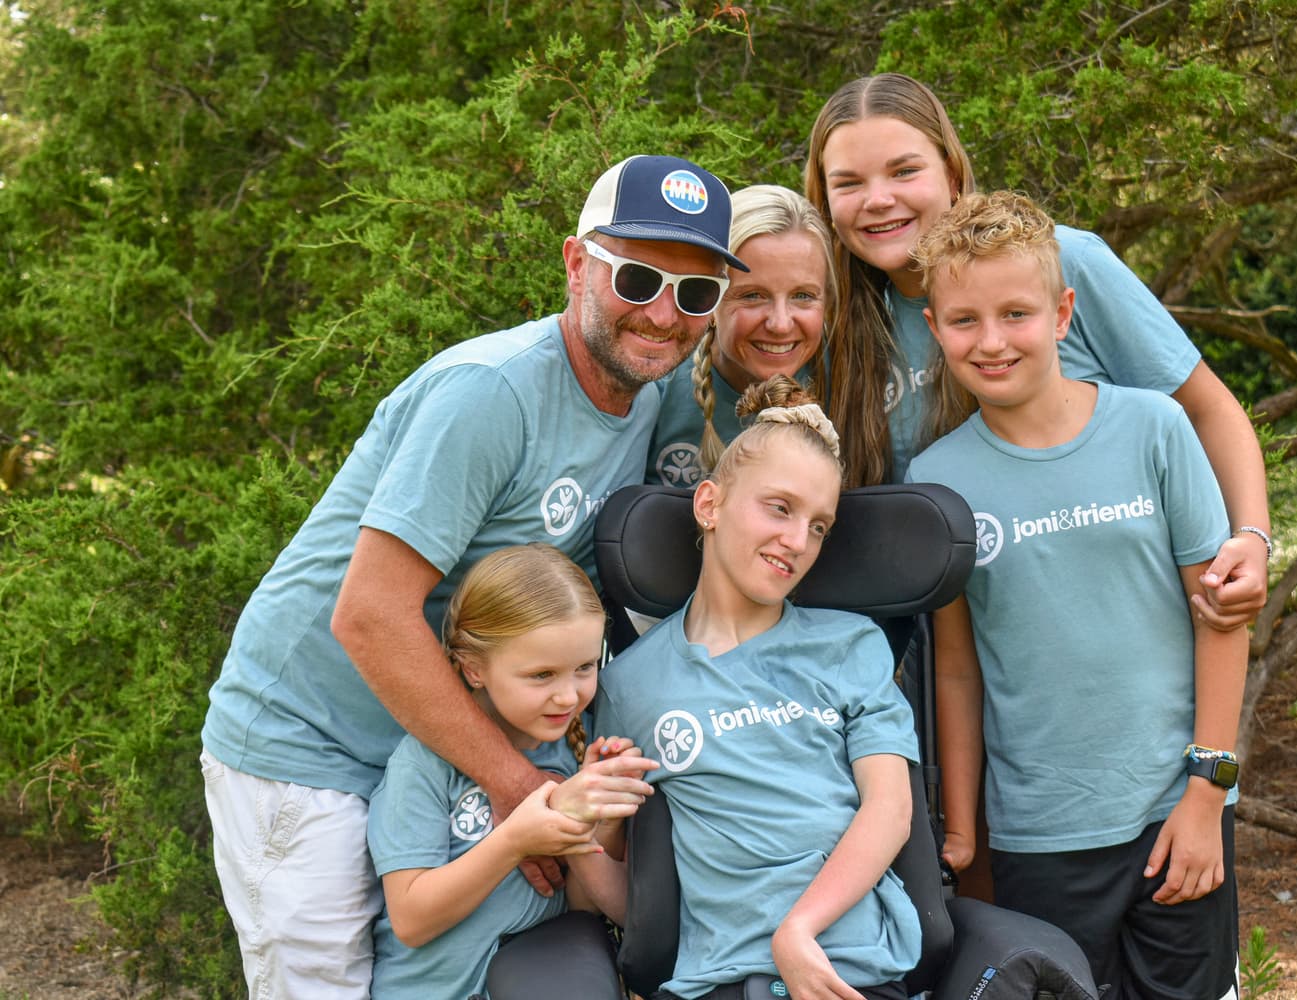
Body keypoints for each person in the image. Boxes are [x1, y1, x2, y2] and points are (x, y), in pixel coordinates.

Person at [198, 153, 745, 996]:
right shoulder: (491, 394)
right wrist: (520, 786)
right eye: (637, 277)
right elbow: (370, 615)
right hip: (311, 751)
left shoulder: (641, 398)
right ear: (575, 264)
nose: (664, 313)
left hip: (427, 751)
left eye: (696, 293)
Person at [907, 190, 1248, 998]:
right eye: (964, 322)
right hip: (1041, 834)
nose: (991, 342)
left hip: (1178, 813)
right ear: (934, 328)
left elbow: (1221, 620)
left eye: (1016, 314)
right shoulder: (937, 483)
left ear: (1063, 314)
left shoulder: (1154, 429)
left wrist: (1208, 793)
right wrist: (963, 825)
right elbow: (956, 667)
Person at [804, 72, 1271, 631]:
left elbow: (1206, 408)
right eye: (849, 183)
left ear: (951, 174)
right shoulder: (832, 320)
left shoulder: (1058, 262)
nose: (879, 200)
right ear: (825, 200)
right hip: (942, 646)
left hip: (1114, 621)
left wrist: (1252, 537)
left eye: (905, 171)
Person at [596, 376, 923, 1000]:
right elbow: (626, 896)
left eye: (819, 525)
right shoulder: (630, 685)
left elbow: (892, 809)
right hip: (716, 981)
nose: (798, 542)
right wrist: (581, 823)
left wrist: (798, 931)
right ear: (709, 504)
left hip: (849, 969)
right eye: (779, 508)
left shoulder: (851, 646)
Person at [366, 543, 656, 999]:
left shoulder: (575, 750)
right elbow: (411, 919)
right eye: (542, 675)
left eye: (584, 667)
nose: (567, 696)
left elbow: (588, 910)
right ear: (474, 668)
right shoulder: (424, 764)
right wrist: (516, 839)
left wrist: (598, 820)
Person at [648, 184, 836, 487]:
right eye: (752, 296)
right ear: (710, 298)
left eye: (802, 295)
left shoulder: (848, 376)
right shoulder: (658, 385)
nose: (780, 324)